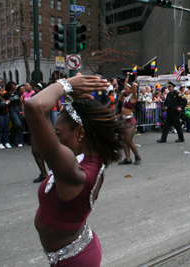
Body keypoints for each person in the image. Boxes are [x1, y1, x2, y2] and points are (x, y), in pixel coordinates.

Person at [24, 75, 125, 266]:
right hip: (76, 252)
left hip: (75, 261)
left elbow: (34, 107)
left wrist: (66, 85)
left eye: (58, 133)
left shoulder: (72, 170)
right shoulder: (92, 157)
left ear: (80, 133)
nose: (55, 138)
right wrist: (75, 98)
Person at [118, 82, 141, 165]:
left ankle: (137, 156)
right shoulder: (127, 97)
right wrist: (122, 92)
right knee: (124, 141)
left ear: (131, 89)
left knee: (129, 140)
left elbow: (134, 86)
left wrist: (134, 83)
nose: (125, 90)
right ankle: (128, 159)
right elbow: (120, 99)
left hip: (130, 121)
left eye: (126, 89)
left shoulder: (134, 96)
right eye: (124, 89)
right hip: (124, 120)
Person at [4, 81, 24, 147]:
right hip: (12, 110)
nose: (14, 86)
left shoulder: (17, 93)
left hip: (18, 109)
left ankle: (19, 141)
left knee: (20, 125)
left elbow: (21, 102)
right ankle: (13, 133)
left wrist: (22, 110)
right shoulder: (6, 95)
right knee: (17, 123)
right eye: (13, 85)